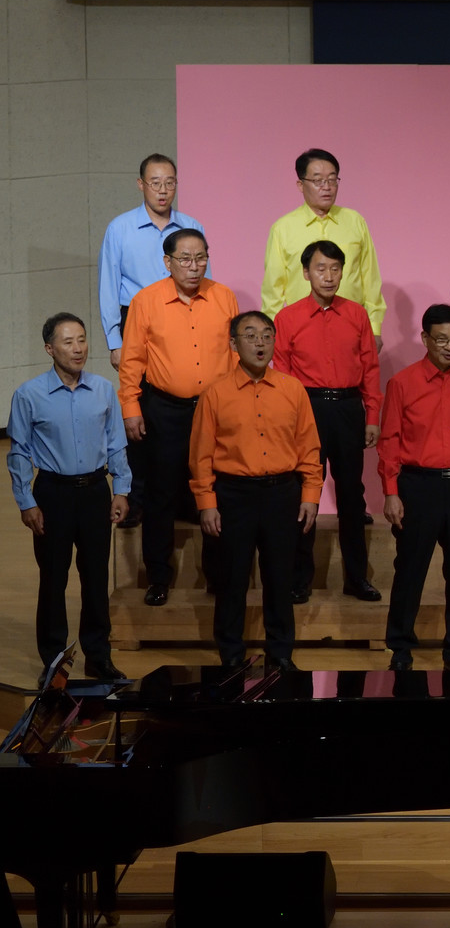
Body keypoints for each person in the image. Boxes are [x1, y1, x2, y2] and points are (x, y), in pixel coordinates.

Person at [189, 311, 323, 674]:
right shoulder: (215, 394)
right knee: (232, 579)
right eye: (250, 335)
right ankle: (231, 655)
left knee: (280, 578)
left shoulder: (293, 389)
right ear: (234, 344)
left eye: (266, 335)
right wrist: (206, 503)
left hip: (282, 494)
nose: (260, 343)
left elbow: (309, 447)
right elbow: (200, 456)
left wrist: (310, 496)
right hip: (234, 496)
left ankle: (280, 653)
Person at [117, 228, 238, 605]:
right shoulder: (146, 301)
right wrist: (131, 408)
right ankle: (158, 577)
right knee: (161, 493)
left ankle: (219, 576)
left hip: (216, 408)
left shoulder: (224, 297)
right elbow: (132, 360)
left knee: (218, 489)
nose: (194, 266)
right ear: (167, 262)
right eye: (185, 259)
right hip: (165, 409)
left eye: (201, 258)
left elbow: (235, 354)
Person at [9, 314, 131, 681]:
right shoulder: (29, 395)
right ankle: (54, 663)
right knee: (53, 579)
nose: (78, 349)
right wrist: (26, 501)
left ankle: (98, 656)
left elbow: (116, 443)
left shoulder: (104, 389)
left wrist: (121, 488)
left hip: (95, 492)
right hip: (53, 494)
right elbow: (19, 451)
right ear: (50, 349)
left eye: (82, 340)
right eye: (68, 342)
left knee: (95, 578)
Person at [378, 304, 450, 673]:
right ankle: (400, 646)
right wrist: (391, 491)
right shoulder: (402, 383)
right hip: (417, 486)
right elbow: (389, 441)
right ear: (425, 338)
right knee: (409, 569)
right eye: (442, 339)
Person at [270, 239, 382, 605]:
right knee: (304, 492)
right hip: (307, 409)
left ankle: (357, 578)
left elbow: (370, 369)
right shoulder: (287, 318)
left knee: (352, 496)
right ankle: (300, 579)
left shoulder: (357, 315)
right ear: (306, 273)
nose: (329, 276)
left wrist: (372, 416)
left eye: (335, 269)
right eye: (321, 269)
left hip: (349, 408)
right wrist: (289, 420)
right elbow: (283, 374)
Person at [98, 153, 204, 529]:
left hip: (181, 318)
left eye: (169, 182)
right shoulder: (121, 228)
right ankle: (137, 498)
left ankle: (187, 500)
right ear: (140, 184)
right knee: (139, 415)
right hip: (136, 320)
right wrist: (115, 340)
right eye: (155, 182)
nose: (163, 190)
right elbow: (108, 285)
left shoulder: (190, 226)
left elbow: (203, 281)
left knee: (189, 414)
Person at [261, 148, 388, 340]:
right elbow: (273, 289)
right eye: (318, 181)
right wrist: (273, 335)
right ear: (301, 185)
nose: (326, 187)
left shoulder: (355, 221)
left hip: (351, 326)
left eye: (332, 179)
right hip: (301, 330)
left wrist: (375, 327)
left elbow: (370, 278)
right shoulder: (283, 228)